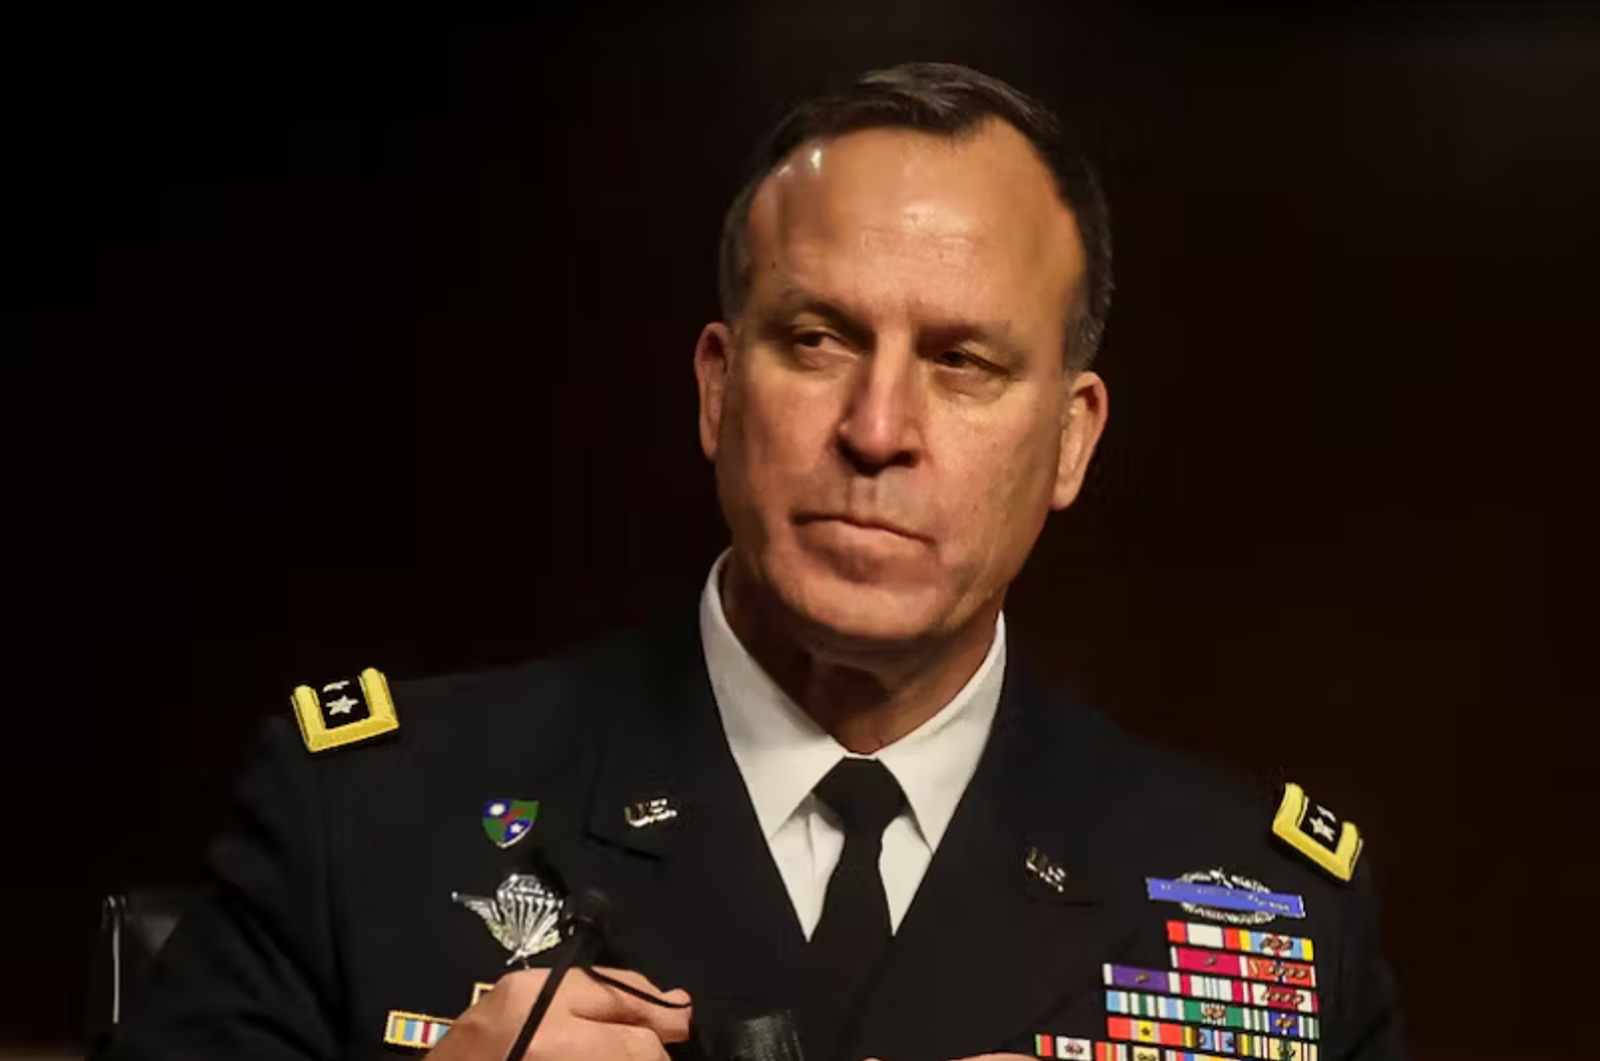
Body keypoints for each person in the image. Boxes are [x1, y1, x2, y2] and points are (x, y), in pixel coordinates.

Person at [105, 62, 1404, 1061]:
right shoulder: (365, 822)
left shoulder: (1269, 909)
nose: (878, 430)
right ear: (720, 389)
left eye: (963, 363)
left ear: (1070, 441)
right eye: (818, 339)